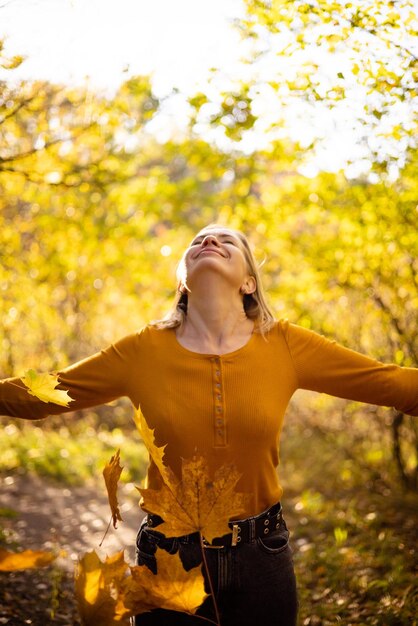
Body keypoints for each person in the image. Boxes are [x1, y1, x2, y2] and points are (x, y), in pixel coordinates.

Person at [1, 224, 417, 626]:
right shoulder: (143, 349)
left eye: (227, 240)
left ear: (249, 283)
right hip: (169, 557)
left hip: (262, 554)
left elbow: (386, 381)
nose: (210, 240)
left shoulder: (285, 344)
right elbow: (47, 393)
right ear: (183, 280)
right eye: (198, 240)